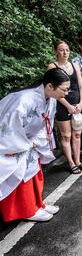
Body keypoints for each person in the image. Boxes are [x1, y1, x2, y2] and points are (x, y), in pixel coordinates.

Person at [0, 68, 70, 222]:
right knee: (20, 175)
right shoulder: (23, 99)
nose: (66, 93)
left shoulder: (50, 99)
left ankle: (38, 204)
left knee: (34, 171)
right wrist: (19, 145)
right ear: (50, 86)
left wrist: (37, 142)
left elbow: (45, 122)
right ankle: (27, 210)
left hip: (29, 142)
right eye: (64, 90)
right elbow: (7, 126)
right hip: (12, 144)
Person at [47, 41, 82, 175]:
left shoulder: (75, 65)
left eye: (67, 50)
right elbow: (52, 89)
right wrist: (68, 106)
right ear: (56, 51)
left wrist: (81, 103)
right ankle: (70, 162)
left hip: (77, 105)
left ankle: (78, 161)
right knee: (66, 135)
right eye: (62, 50)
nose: (65, 53)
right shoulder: (52, 67)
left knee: (77, 134)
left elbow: (81, 86)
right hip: (62, 105)